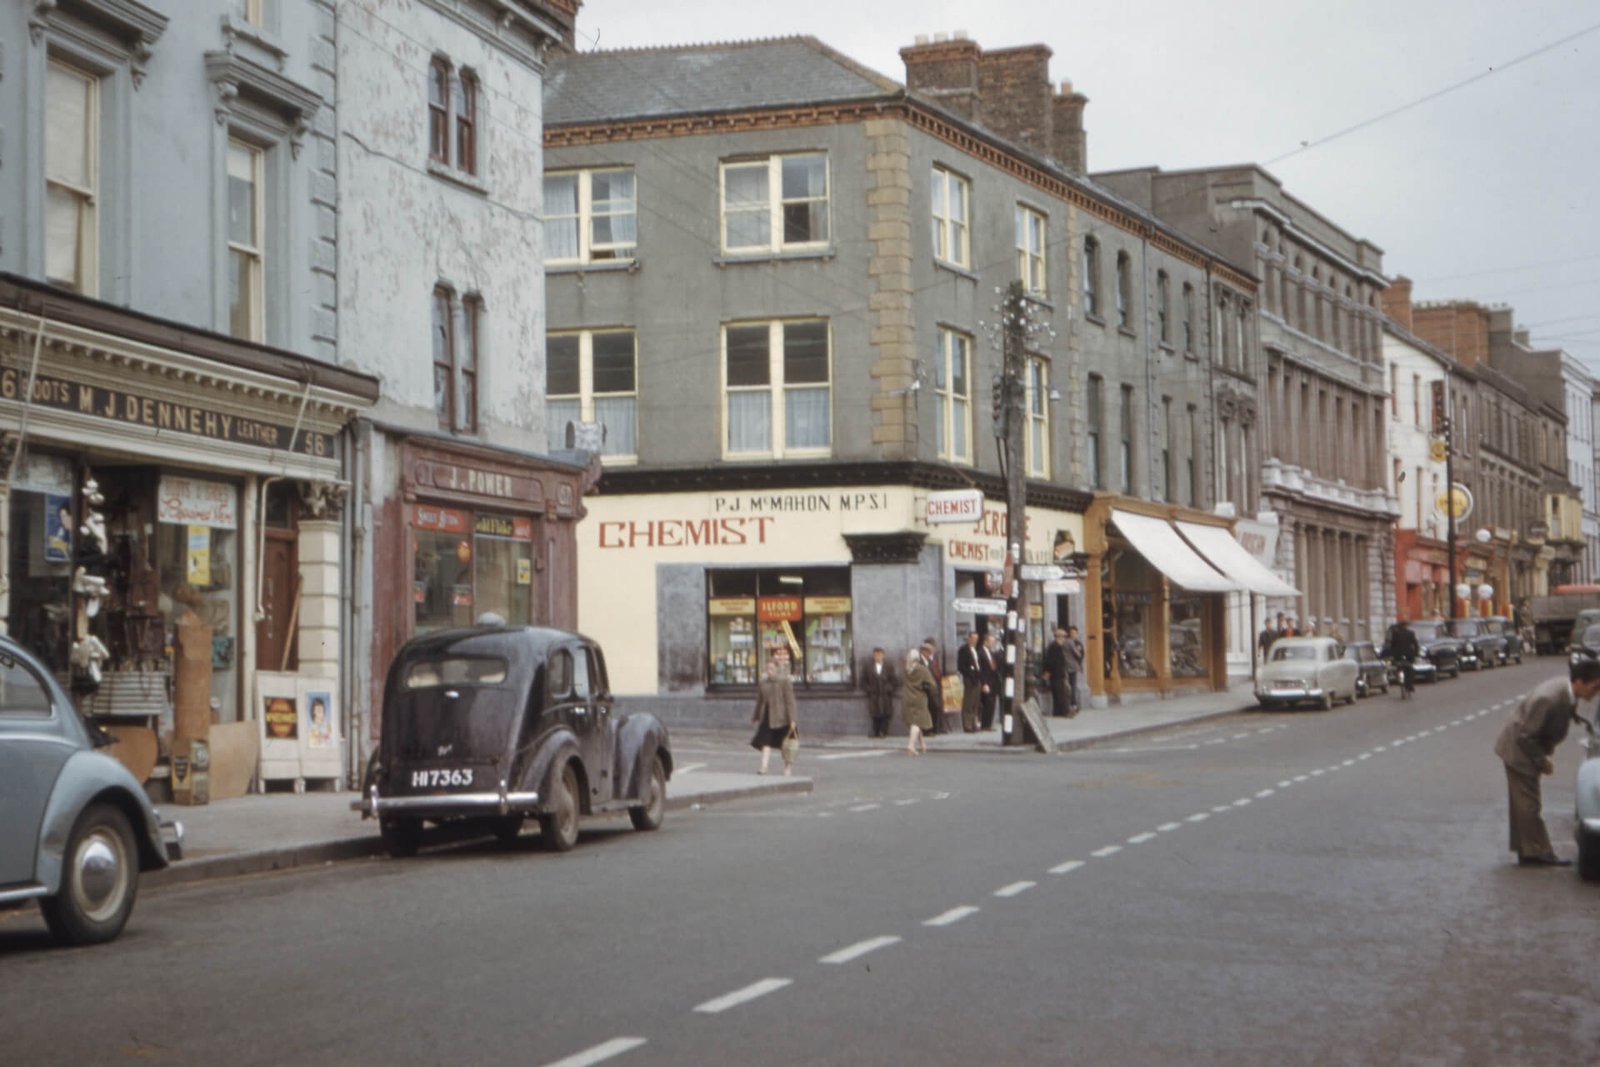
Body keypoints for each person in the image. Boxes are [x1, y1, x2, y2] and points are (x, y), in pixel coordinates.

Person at [1493, 658, 1600, 866]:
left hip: (1523, 747)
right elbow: (1526, 736)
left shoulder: (1567, 691)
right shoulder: (1549, 698)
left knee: (1523, 803)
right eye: (1594, 687)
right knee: (1529, 804)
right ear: (1579, 682)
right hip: (1519, 751)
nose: (1595, 693)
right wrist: (1542, 761)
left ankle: (1527, 849)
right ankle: (1537, 852)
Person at [749, 651, 798, 775]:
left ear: (777, 668)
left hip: (783, 717)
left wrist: (792, 719)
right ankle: (763, 767)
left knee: (787, 745)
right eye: (767, 669)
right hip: (768, 716)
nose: (769, 671)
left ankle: (787, 768)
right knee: (765, 742)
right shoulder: (763, 683)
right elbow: (760, 701)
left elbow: (790, 701)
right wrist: (755, 717)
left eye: (771, 668)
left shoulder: (784, 682)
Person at [900, 648, 937, 755]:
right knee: (917, 723)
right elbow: (932, 685)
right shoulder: (923, 670)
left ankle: (923, 745)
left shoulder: (906, 670)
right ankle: (911, 745)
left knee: (915, 721)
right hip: (919, 699)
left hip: (907, 697)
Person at [860, 647, 897, 739]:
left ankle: (883, 731)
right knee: (875, 713)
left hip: (885, 695)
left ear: (883, 655)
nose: (878, 657)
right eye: (876, 655)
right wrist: (869, 689)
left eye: (880, 655)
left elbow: (894, 681)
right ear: (873, 656)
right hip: (874, 695)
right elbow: (863, 681)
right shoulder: (868, 666)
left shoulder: (889, 666)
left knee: (885, 713)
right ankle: (875, 731)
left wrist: (889, 688)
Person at [957, 631, 986, 733]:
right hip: (969, 679)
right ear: (969, 638)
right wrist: (969, 674)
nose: (975, 641)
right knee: (968, 702)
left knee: (975, 702)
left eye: (976, 639)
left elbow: (978, 665)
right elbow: (961, 666)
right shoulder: (963, 650)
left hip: (977, 678)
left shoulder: (976, 650)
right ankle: (967, 724)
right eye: (973, 639)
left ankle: (974, 723)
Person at [1381, 619, 1420, 694]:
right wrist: (1416, 654)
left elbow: (1391, 645)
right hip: (1408, 655)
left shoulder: (1395, 634)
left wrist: (1390, 654)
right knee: (1410, 670)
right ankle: (1410, 685)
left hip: (1397, 655)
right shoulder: (1410, 633)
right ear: (1406, 626)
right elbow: (1415, 644)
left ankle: (1398, 676)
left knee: (1397, 667)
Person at [1042, 628, 1072, 718]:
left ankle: (1058, 712)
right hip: (1056, 674)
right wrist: (1048, 673)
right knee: (1060, 694)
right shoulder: (1055, 647)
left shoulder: (1057, 646)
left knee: (1059, 693)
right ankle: (1064, 712)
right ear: (1059, 637)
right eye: (1064, 637)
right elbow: (1052, 662)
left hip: (1057, 674)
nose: (1065, 639)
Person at [978, 633, 1002, 731]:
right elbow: (981, 670)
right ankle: (984, 724)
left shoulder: (991, 653)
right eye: (991, 642)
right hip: (987, 681)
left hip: (994, 682)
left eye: (993, 642)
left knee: (992, 704)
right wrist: (984, 683)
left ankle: (989, 724)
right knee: (987, 703)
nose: (993, 644)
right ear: (986, 642)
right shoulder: (981, 653)